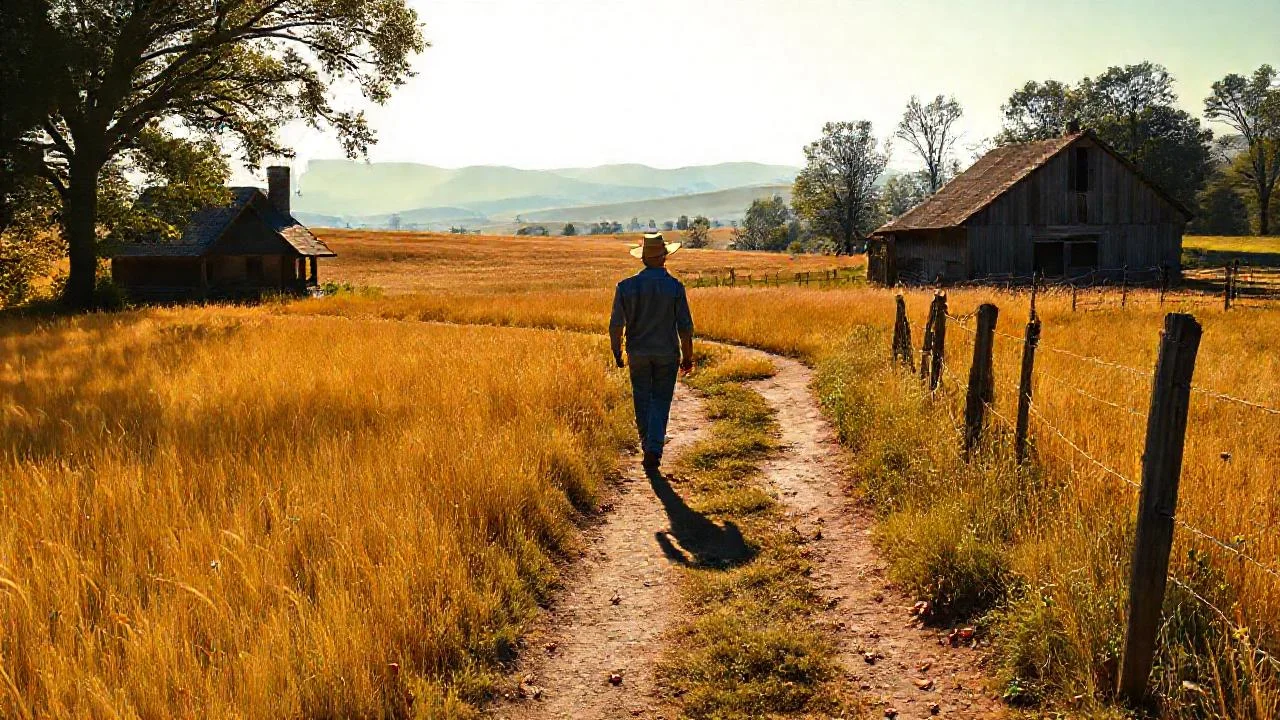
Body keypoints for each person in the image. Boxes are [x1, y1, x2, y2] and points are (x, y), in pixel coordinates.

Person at [609, 232, 695, 471]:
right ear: (664, 257)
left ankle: (648, 444)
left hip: (638, 353)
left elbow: (616, 324)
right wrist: (687, 357)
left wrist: (617, 352)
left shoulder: (625, 287)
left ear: (643, 258)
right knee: (660, 400)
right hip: (667, 353)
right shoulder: (675, 287)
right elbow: (685, 328)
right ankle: (653, 448)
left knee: (642, 399)